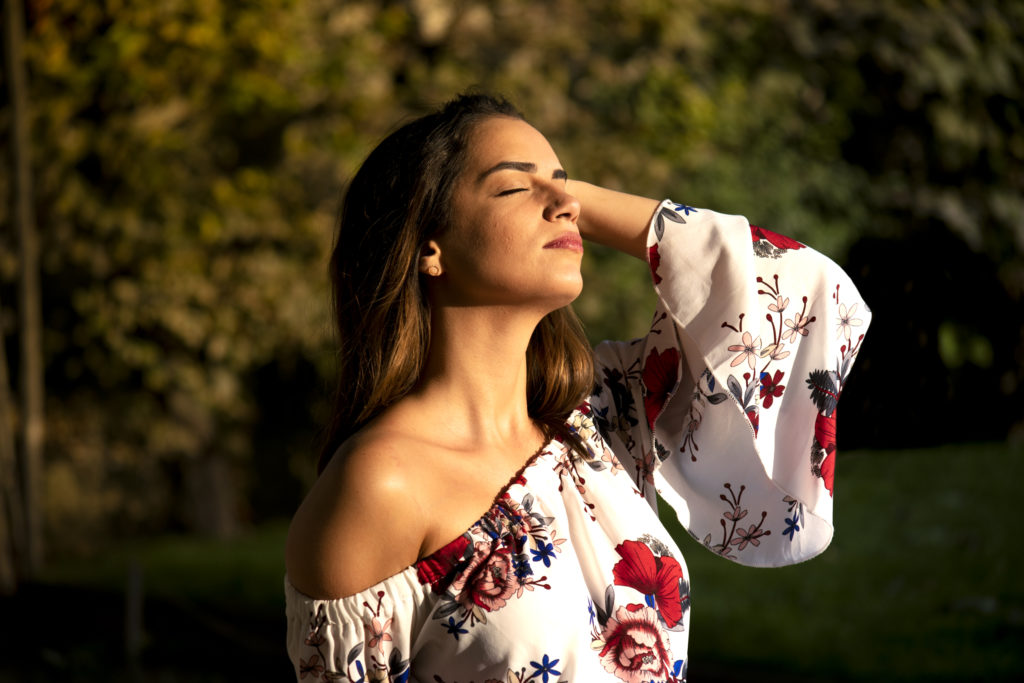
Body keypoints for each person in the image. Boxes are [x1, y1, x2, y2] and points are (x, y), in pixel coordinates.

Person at [285, 93, 869, 683]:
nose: (566, 204)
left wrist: (563, 195)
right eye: (514, 188)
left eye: (568, 186)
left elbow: (807, 291)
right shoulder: (383, 482)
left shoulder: (602, 423)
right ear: (428, 247)